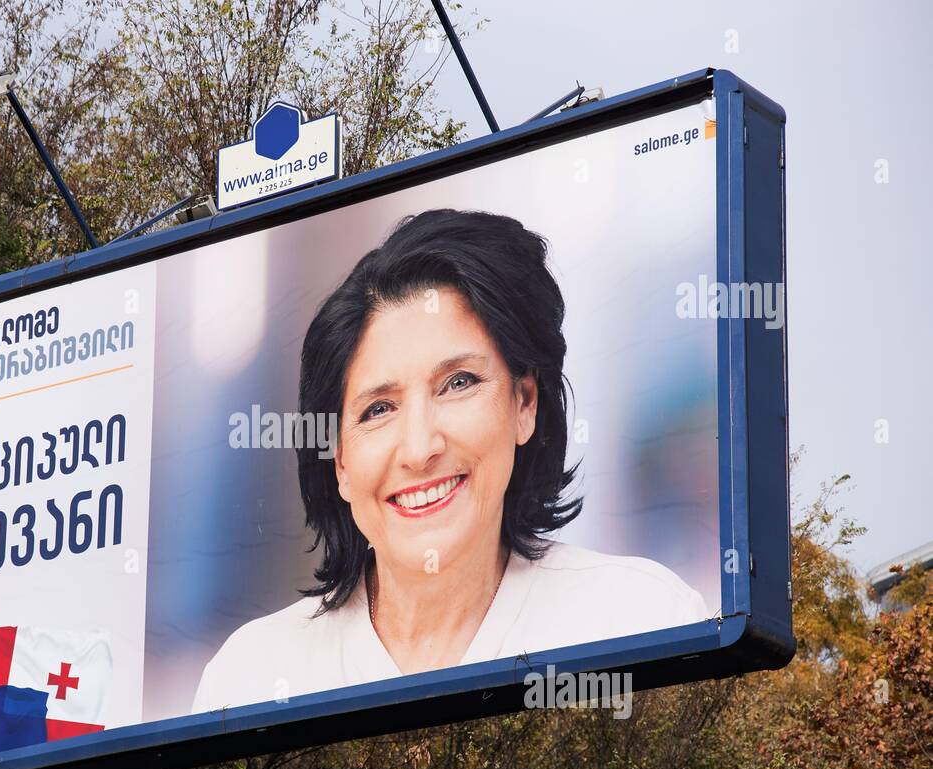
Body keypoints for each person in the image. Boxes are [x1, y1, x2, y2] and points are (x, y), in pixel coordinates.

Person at [192, 209, 707, 713]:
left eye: (458, 383)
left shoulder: (643, 619)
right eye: (378, 409)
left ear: (525, 403)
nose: (419, 450)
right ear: (339, 461)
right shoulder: (249, 679)